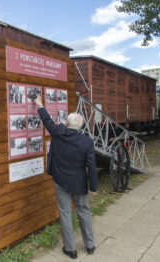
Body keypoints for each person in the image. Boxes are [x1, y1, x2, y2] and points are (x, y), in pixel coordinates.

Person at [34, 95, 98, 259]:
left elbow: (47, 120)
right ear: (80, 126)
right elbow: (91, 166)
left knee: (65, 213)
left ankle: (70, 249)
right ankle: (90, 245)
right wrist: (93, 187)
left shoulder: (58, 132)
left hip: (60, 180)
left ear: (67, 123)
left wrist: (40, 104)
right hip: (79, 182)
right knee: (84, 211)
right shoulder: (86, 142)